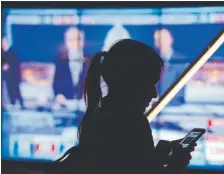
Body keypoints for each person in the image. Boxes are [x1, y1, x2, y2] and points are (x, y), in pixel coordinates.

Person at [52, 39, 196, 174]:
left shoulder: (98, 116)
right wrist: (177, 165)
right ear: (131, 83)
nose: (154, 94)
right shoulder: (133, 123)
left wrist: (155, 156)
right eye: (150, 84)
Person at [53, 27, 89, 107]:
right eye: (70, 39)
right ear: (66, 41)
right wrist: (59, 95)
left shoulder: (91, 60)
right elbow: (56, 83)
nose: (74, 43)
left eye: (77, 39)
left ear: (83, 41)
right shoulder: (60, 60)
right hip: (66, 105)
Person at [154, 28, 187, 105]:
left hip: (173, 106)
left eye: (163, 39)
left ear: (171, 40)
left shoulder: (181, 60)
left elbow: (181, 89)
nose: (159, 42)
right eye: (157, 39)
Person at [2, 37, 24, 109]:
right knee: (9, 90)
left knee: (16, 90)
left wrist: (9, 66)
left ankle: (21, 103)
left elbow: (16, 64)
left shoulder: (12, 52)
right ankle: (13, 103)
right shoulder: (2, 53)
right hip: (7, 76)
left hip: (14, 75)